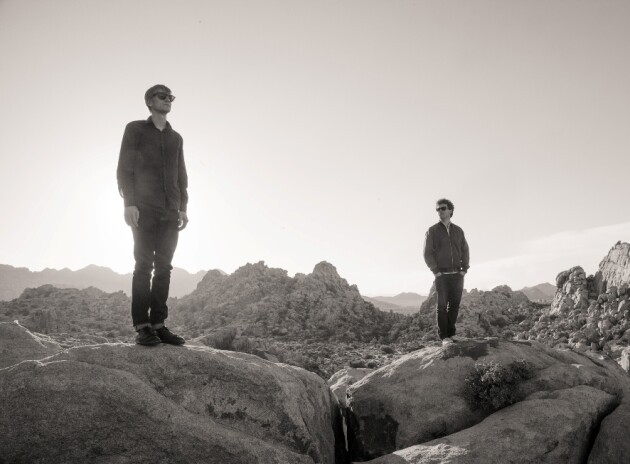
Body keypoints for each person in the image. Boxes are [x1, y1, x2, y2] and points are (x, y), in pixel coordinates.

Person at [117, 84, 189, 346]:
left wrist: (183, 207)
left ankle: (159, 324)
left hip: (170, 210)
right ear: (149, 101)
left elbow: (181, 175)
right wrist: (129, 203)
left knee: (164, 268)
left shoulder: (176, 138)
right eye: (162, 96)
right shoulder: (135, 129)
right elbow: (124, 168)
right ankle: (142, 327)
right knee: (144, 266)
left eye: (171, 97)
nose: (168, 100)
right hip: (143, 208)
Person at [423, 199, 469, 345]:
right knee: (442, 307)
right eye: (438, 209)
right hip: (441, 275)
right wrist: (435, 271)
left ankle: (452, 333)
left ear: (450, 210)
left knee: (454, 305)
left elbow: (465, 250)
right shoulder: (432, 231)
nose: (440, 211)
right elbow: (427, 253)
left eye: (443, 208)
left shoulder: (458, 231)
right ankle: (444, 337)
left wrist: (464, 269)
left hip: (457, 274)